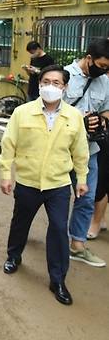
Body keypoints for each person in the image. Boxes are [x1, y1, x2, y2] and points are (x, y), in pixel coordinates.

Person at [0, 64, 89, 306]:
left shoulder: (74, 117)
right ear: (39, 85)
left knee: (59, 229)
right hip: (28, 182)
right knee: (21, 222)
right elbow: (9, 145)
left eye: (56, 83)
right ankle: (13, 256)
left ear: (65, 87)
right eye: (46, 81)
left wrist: (81, 179)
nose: (50, 86)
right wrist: (6, 174)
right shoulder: (23, 113)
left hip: (57, 184)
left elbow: (80, 151)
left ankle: (57, 279)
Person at [62, 38, 109, 268]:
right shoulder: (63, 76)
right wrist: (79, 120)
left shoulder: (104, 82)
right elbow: (48, 111)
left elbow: (107, 110)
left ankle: (77, 245)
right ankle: (30, 234)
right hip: (60, 152)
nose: (104, 71)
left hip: (89, 152)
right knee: (48, 198)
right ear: (89, 59)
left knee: (87, 198)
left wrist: (100, 121)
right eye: (101, 66)